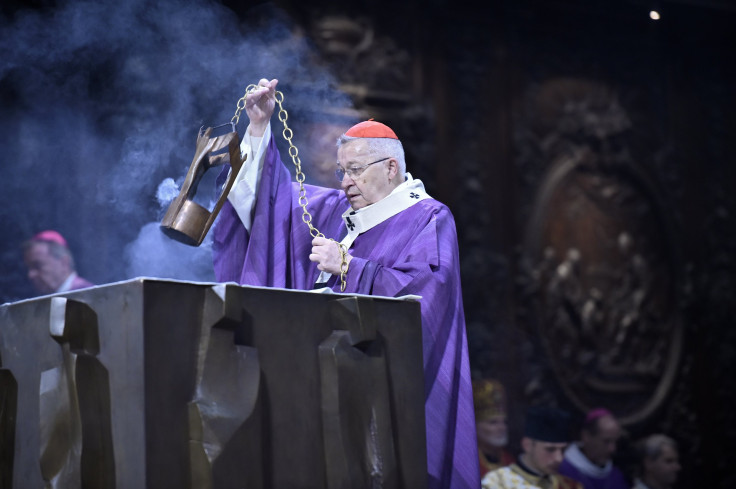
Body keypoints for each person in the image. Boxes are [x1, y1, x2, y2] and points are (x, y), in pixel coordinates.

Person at [211, 78, 478, 489]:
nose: (345, 182)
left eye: (355, 170)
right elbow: (270, 201)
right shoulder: (335, 211)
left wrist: (349, 266)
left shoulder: (427, 218)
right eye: (341, 171)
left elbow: (425, 303)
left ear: (391, 168)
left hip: (382, 398)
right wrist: (260, 127)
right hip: (316, 387)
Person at [481, 406, 583, 489]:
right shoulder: (496, 483)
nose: (559, 458)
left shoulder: (570, 486)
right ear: (528, 445)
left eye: (563, 450)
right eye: (550, 449)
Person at [559, 408, 629, 489]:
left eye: (615, 441)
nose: (612, 449)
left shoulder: (616, 475)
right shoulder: (562, 470)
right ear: (586, 436)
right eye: (606, 441)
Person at [22, 230, 94, 295]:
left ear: (64, 263)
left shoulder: (87, 294)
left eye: (38, 266)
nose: (31, 275)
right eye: (29, 267)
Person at [473, 378, 515, 478]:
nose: (502, 428)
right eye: (493, 422)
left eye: (504, 422)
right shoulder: (467, 464)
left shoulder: (510, 461)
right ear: (475, 426)